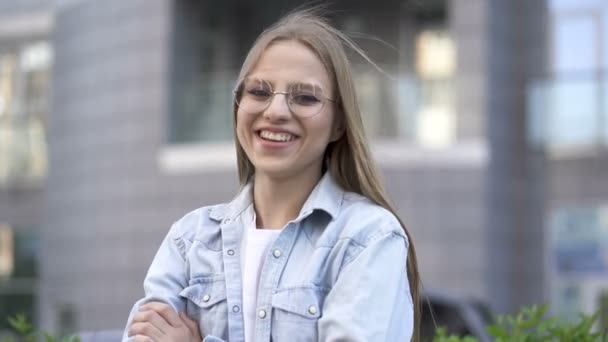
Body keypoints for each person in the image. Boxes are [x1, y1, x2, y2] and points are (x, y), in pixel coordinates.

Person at [123, 8, 421, 342]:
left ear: (339, 123)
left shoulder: (368, 238)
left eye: (305, 97)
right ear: (238, 106)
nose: (276, 111)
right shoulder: (189, 241)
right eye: (259, 92)